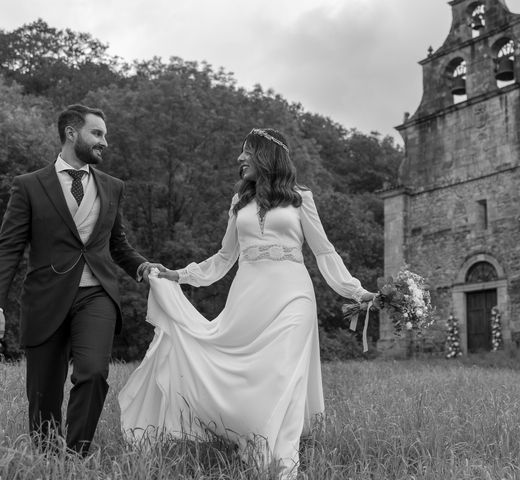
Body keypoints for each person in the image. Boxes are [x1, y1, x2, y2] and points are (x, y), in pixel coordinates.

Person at [119, 128, 375, 479]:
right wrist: (178, 275)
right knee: (253, 375)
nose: (240, 159)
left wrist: (357, 291)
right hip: (248, 295)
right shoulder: (239, 202)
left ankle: (279, 464)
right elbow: (224, 258)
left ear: (267, 156)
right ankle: (250, 438)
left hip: (293, 295)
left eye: (247, 152)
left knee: (283, 372)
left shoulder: (301, 199)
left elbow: (324, 251)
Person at [0, 104, 160, 455]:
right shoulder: (28, 186)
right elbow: (8, 249)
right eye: (97, 134)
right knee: (44, 389)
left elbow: (117, 245)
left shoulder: (112, 187)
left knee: (93, 372)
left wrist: (143, 267)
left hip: (96, 295)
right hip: (45, 297)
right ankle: (46, 459)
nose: (105, 142)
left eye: (105, 135)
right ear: (72, 133)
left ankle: (76, 455)